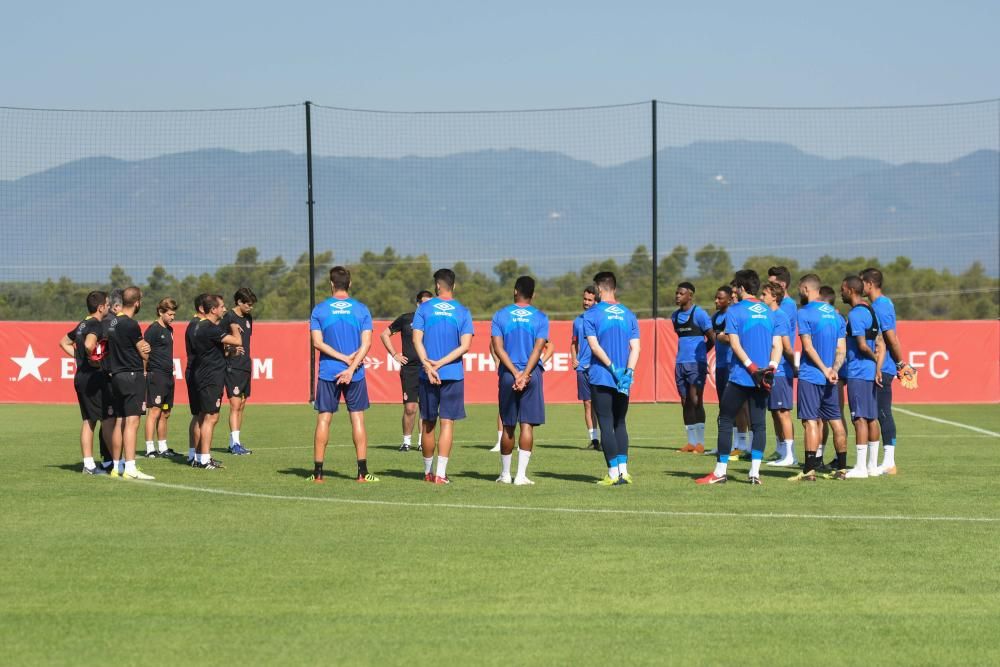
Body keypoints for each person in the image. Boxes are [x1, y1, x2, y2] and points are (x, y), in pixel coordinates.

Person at [696, 269, 782, 485]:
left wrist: (751, 367)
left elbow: (734, 343)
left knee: (725, 419)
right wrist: (770, 367)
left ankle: (720, 472)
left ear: (742, 288)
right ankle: (754, 473)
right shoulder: (771, 312)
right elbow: (777, 345)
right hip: (764, 377)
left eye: (736, 288)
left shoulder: (735, 311)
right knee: (759, 424)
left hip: (742, 376)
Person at [309, 267, 377, 483]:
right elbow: (367, 343)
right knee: (357, 419)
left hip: (328, 371)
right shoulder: (361, 309)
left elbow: (317, 343)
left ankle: (318, 474)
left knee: (324, 419)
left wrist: (341, 360)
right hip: (355, 373)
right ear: (350, 283)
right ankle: (362, 473)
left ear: (331, 283)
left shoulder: (319, 310)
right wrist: (351, 366)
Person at [412, 268, 474, 484]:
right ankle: (440, 474)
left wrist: (429, 366)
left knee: (428, 423)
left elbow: (416, 340)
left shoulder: (424, 309)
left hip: (426, 373)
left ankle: (428, 473)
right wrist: (442, 363)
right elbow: (465, 346)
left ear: (437, 285)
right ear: (453, 285)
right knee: (447, 423)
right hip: (452, 374)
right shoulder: (463, 311)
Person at [491, 275, 550, 485]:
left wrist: (515, 373)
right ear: (533, 294)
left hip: (508, 375)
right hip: (532, 375)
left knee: (508, 425)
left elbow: (497, 348)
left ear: (515, 290)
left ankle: (505, 475)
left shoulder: (500, 315)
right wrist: (525, 374)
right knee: (527, 425)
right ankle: (521, 476)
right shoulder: (541, 317)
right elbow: (538, 348)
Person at [788, 275, 847, 482]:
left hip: (812, 375)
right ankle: (841, 469)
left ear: (805, 289)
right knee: (836, 421)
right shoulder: (837, 315)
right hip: (831, 377)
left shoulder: (803, 313)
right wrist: (834, 370)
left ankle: (809, 471)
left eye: (799, 289)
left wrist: (823, 369)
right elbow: (842, 350)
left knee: (810, 422)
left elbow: (807, 346)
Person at [584, 271, 640, 486]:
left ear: (598, 289)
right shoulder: (629, 314)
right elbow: (636, 348)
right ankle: (624, 472)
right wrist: (629, 372)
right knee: (620, 422)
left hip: (601, 375)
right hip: (624, 379)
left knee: (606, 423)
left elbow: (594, 346)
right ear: (614, 288)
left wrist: (612, 368)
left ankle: (613, 472)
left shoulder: (591, 315)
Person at [861, 267, 916, 476]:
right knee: (875, 413)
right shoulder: (880, 304)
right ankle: (875, 462)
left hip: (882, 368)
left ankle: (889, 462)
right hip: (877, 366)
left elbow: (890, 338)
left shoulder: (881, 306)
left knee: (883, 412)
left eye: (862, 283)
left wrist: (901, 364)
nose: (861, 287)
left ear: (870, 284)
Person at [59, 290, 110, 474]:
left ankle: (96, 462)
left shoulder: (82, 324)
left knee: (93, 419)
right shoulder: (95, 325)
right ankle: (92, 464)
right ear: (101, 307)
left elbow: (63, 342)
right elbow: (90, 345)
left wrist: (79, 358)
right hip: (92, 378)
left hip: (82, 376)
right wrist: (92, 358)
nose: (109, 307)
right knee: (94, 420)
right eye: (108, 304)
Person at [191, 294, 244, 470]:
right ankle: (205, 459)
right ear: (213, 310)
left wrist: (229, 352)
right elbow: (237, 340)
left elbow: (214, 352)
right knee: (211, 417)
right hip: (210, 377)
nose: (224, 309)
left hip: (205, 374)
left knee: (203, 416)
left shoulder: (201, 326)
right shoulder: (209, 328)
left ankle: (200, 457)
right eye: (221, 306)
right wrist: (234, 326)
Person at [105, 286, 154, 480]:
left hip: (116, 376)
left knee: (119, 421)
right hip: (132, 375)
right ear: (137, 302)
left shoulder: (112, 322)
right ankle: (131, 467)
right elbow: (143, 351)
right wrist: (147, 349)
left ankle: (117, 466)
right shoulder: (131, 324)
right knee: (132, 422)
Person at [838, 276, 883, 479]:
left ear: (850, 290)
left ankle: (860, 467)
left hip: (857, 372)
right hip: (870, 372)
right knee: (872, 418)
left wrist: (872, 359)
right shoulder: (871, 310)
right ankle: (872, 466)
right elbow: (881, 344)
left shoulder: (856, 314)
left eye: (842, 289)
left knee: (859, 418)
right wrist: (878, 367)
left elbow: (863, 346)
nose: (841, 293)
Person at [380, 290, 434, 452]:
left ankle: (421, 441)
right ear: (418, 303)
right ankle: (406, 441)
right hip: (410, 369)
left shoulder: (435, 320)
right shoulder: (406, 319)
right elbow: (384, 334)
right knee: (410, 407)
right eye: (424, 303)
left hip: (428, 367)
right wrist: (395, 354)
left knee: (425, 407)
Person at [671, 282, 715, 453]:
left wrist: (701, 355)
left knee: (696, 400)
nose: (677, 296)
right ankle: (690, 442)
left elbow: (712, 338)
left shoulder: (700, 314)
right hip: (680, 364)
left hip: (696, 364)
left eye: (681, 293)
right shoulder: (674, 316)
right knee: (685, 401)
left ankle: (700, 443)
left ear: (690, 296)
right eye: (676, 293)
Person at [760, 282, 799, 468]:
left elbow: (786, 346)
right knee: (775, 411)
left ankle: (791, 455)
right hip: (771, 370)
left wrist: (794, 366)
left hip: (781, 370)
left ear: (774, 297)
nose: (761, 297)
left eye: (764, 294)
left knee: (783, 412)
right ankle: (783, 451)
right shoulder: (768, 315)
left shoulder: (780, 316)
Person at [223, 287, 257, 455]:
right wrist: (230, 349)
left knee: (242, 405)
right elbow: (219, 341)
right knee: (235, 405)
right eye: (248, 304)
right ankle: (235, 444)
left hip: (245, 366)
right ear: (239, 302)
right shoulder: (228, 317)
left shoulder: (249, 318)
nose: (250, 307)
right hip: (233, 366)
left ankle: (234, 442)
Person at [143, 298, 179, 458]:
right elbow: (144, 351)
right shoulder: (153, 330)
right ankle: (150, 448)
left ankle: (163, 447)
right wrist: (144, 371)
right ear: (161, 312)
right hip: (156, 374)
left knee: (166, 412)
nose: (172, 317)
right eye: (170, 314)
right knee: (154, 412)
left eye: (174, 314)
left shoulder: (169, 330)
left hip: (168, 376)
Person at [571, 286, 600, 450]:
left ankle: (608, 438)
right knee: (588, 404)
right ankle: (594, 440)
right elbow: (573, 343)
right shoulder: (577, 321)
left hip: (598, 367)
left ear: (596, 301)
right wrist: (574, 358)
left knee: (601, 404)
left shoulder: (601, 319)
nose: (586, 302)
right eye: (585, 299)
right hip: (583, 369)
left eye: (589, 300)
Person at [184, 294, 209, 464]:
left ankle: (194, 454)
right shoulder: (197, 326)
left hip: (195, 372)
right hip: (198, 373)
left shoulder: (195, 325)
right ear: (202, 308)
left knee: (198, 415)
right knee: (202, 416)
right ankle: (198, 455)